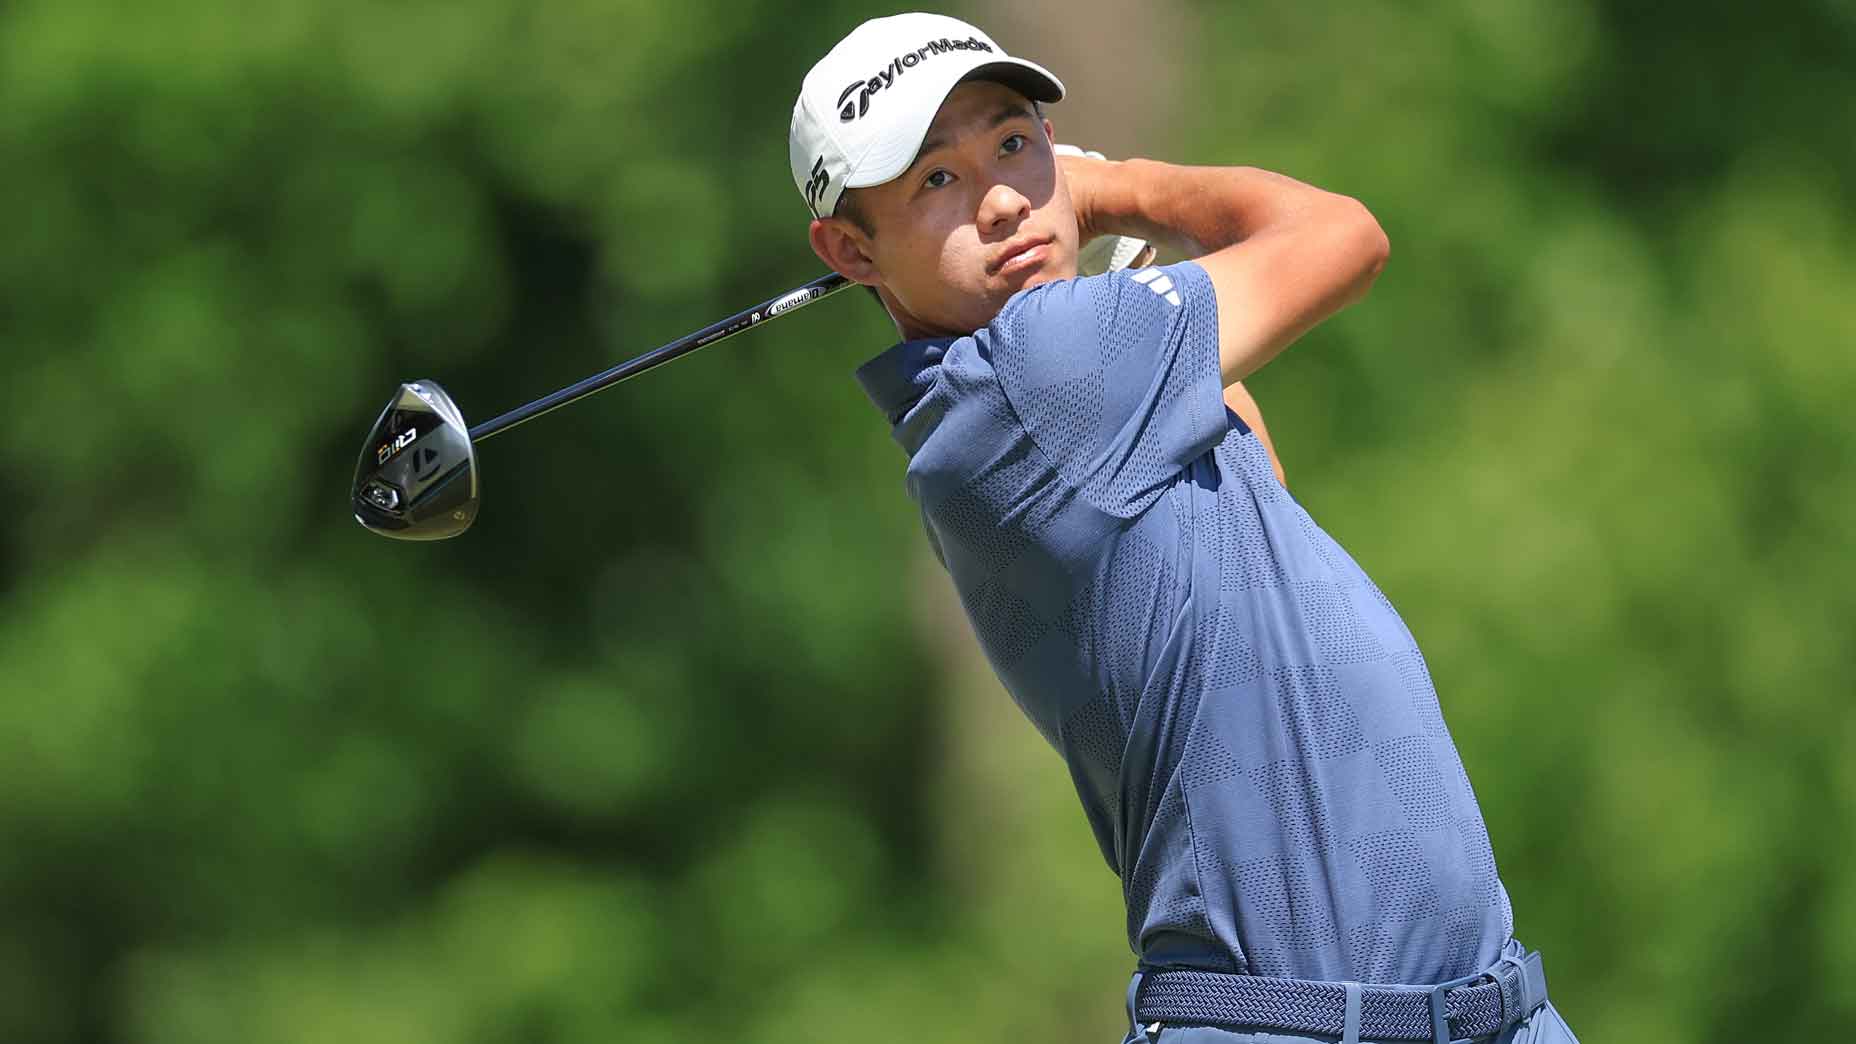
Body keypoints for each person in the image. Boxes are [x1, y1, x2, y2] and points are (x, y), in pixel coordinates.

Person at [791, 13, 1577, 1044]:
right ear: (850, 248)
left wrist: (1121, 276)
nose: (999, 200)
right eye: (934, 180)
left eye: (1014, 143)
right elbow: (1342, 236)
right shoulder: (1038, 373)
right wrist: (1109, 185)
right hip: (1295, 1027)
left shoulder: (1040, 397)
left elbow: (1258, 487)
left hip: (1486, 1010)